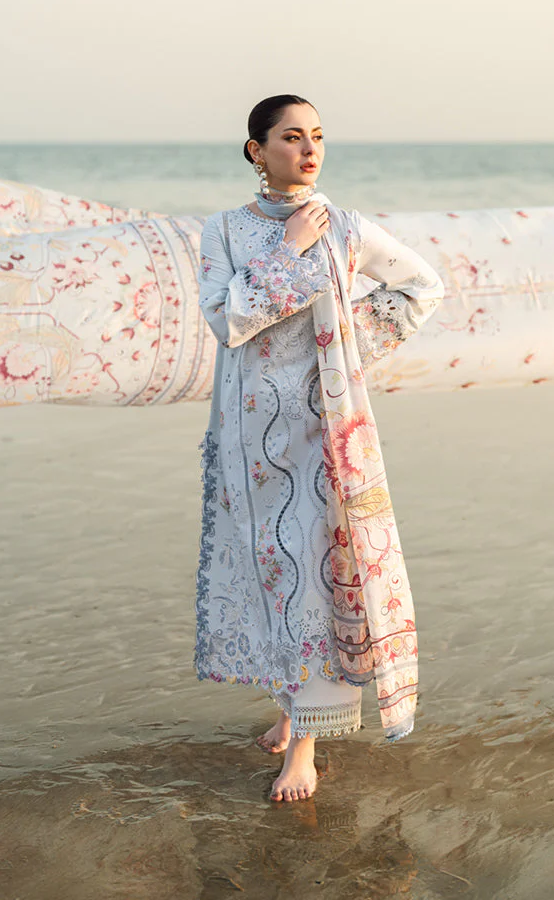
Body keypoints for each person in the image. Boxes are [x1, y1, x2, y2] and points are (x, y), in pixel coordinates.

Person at [194, 94, 445, 803]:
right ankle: (288, 706)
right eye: (291, 137)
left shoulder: (348, 227)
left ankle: (305, 745)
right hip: (246, 439)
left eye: (318, 137)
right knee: (267, 568)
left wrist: (339, 349)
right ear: (257, 151)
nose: (309, 150)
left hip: (322, 432)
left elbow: (422, 286)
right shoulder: (223, 230)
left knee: (315, 576)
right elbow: (227, 321)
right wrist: (291, 250)